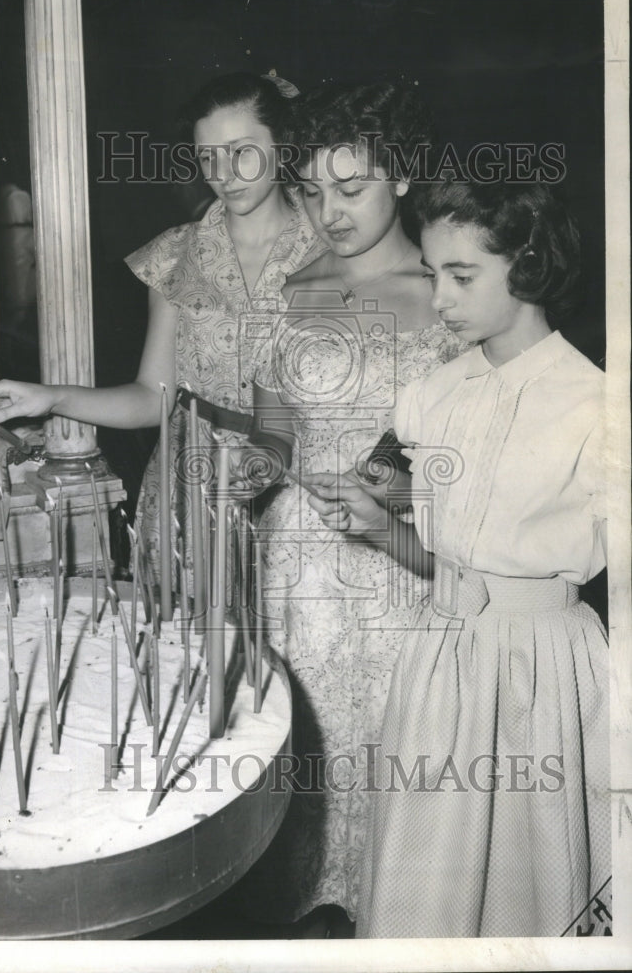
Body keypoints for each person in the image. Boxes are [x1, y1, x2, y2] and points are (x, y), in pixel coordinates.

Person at [306, 179, 610, 937]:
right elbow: (448, 565)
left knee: (531, 882)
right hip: (439, 662)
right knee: (425, 884)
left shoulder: (596, 403)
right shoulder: (434, 396)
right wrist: (378, 524)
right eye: (434, 271)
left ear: (529, 267)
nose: (438, 295)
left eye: (462, 275)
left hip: (540, 675)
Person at [233, 82, 463, 932]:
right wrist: (242, 471)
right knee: (297, 776)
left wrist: (385, 492)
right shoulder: (289, 289)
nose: (327, 211)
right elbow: (274, 440)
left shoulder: (452, 292)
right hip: (294, 576)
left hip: (400, 568)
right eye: (309, 189)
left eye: (351, 187)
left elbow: (472, 461)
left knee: (396, 769)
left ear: (399, 176)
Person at [0, 71, 323, 590]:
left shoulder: (329, 248)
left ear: (282, 145)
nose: (224, 174)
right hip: (193, 484)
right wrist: (47, 397)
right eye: (208, 158)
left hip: (302, 480)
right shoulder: (176, 255)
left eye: (243, 151)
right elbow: (152, 398)